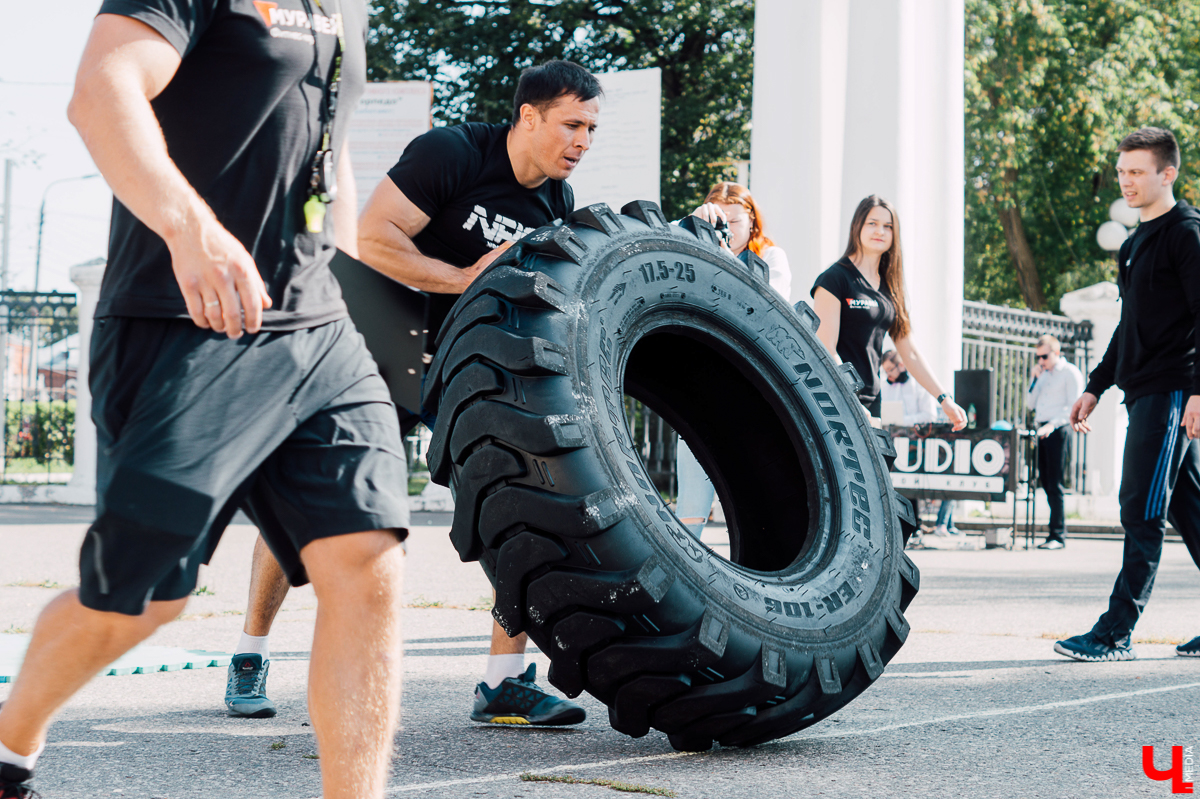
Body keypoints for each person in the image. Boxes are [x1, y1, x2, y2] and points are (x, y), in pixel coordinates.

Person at [0, 2, 411, 798]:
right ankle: (9, 744)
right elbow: (101, 88)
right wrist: (190, 227)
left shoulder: (340, 8)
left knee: (369, 560)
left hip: (316, 325)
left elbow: (330, 149)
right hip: (186, 319)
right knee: (145, 600)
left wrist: (357, 304)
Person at [225, 60, 600, 727]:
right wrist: (464, 277)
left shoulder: (555, 205)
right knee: (312, 503)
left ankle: (502, 681)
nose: (582, 140)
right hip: (376, 339)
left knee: (516, 504)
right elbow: (373, 238)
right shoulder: (451, 152)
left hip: (462, 361)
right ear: (529, 116)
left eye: (592, 129)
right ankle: (251, 652)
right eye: (572, 123)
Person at [1056, 127, 1200, 663]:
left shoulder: (1187, 233)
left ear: (1168, 173)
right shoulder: (1136, 241)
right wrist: (1095, 386)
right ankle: (1116, 628)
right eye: (1122, 172)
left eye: (1137, 171)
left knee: (1139, 507)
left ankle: (1115, 631)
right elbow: (1130, 324)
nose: (1127, 181)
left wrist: (1197, 393)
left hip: (1171, 391)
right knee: (1191, 511)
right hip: (1142, 390)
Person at [676, 182, 791, 535]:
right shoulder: (693, 249)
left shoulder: (771, 257)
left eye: (734, 220)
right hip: (701, 384)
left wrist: (722, 252)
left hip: (752, 393)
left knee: (755, 499)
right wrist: (690, 224)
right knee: (691, 503)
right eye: (718, 218)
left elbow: (766, 308)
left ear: (752, 221)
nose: (726, 227)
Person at [810, 195, 967, 431]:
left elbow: (909, 352)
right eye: (872, 223)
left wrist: (944, 399)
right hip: (836, 401)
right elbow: (826, 349)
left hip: (872, 404)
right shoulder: (834, 279)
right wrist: (851, 401)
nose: (880, 231)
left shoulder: (891, 288)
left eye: (888, 226)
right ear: (857, 227)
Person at [1027, 334, 1084, 550]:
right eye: (1038, 357)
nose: (1041, 361)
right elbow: (1030, 404)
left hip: (1059, 429)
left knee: (1056, 483)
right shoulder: (1043, 375)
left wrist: (1053, 424)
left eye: (1044, 356)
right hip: (1041, 429)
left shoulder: (1070, 373)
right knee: (1046, 482)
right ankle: (1052, 533)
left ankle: (1058, 535)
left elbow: (1073, 407)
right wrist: (1033, 379)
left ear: (1056, 352)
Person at [880, 350, 937, 424]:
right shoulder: (885, 387)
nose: (888, 375)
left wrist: (902, 421)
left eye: (890, 369)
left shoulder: (920, 384)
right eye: (885, 371)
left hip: (916, 434)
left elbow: (930, 416)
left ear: (901, 365)